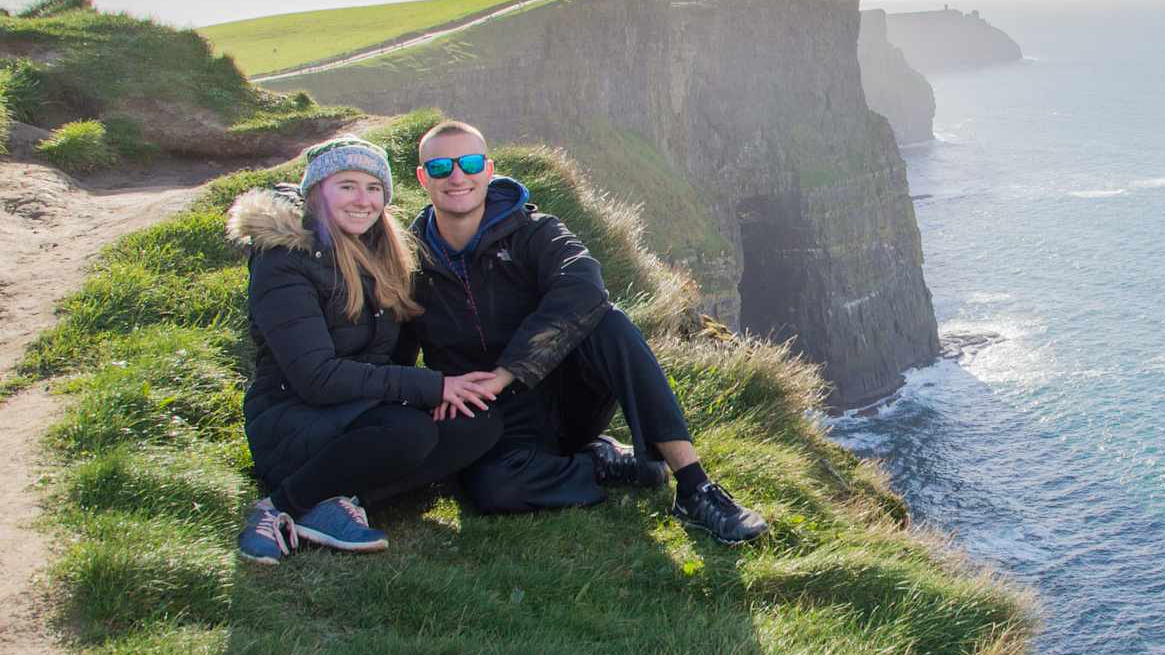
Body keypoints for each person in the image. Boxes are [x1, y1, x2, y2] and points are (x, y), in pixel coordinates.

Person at [397, 119, 770, 544]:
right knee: (493, 491)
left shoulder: (534, 232)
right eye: (442, 167)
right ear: (423, 178)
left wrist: (508, 371)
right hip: (488, 417)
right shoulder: (408, 262)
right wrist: (435, 389)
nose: (457, 176)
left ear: (488, 168)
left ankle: (694, 486)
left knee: (606, 320)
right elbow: (394, 351)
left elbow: (584, 284)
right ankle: (601, 464)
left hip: (562, 394)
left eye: (469, 162)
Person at [227, 136, 506, 564]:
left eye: (373, 188)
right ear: (317, 191)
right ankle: (281, 505)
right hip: (292, 416)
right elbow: (315, 378)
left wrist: (459, 385)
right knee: (409, 433)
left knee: (477, 422)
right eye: (347, 186)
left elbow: (396, 353)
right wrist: (429, 387)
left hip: (358, 410)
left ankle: (336, 498)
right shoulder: (284, 261)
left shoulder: (383, 251)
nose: (363, 200)